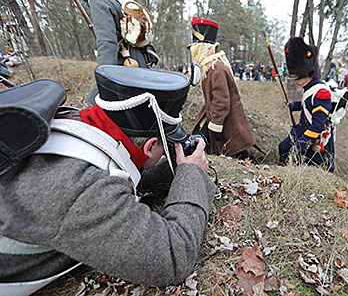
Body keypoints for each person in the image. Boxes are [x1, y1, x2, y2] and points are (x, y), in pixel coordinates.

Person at [0, 66, 216, 295]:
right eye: (165, 144)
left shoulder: (75, 122)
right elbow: (173, 256)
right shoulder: (84, 189)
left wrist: (179, 170)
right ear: (151, 145)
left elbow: (119, 171)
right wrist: (192, 174)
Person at [76, 0, 158, 104]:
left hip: (127, 69)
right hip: (134, 64)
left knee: (90, 108)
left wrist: (104, 78)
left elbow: (107, 42)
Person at [188, 17, 256, 159]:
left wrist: (215, 124)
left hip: (225, 119)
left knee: (237, 152)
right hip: (213, 115)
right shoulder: (210, 66)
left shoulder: (216, 68)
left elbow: (222, 101)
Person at [278, 37, 334, 171]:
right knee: (283, 147)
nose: (295, 80)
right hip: (303, 128)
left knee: (316, 167)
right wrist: (293, 105)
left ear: (307, 74)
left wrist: (302, 143)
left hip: (314, 134)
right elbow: (307, 104)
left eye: (297, 76)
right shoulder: (309, 88)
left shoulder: (321, 92)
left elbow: (318, 125)